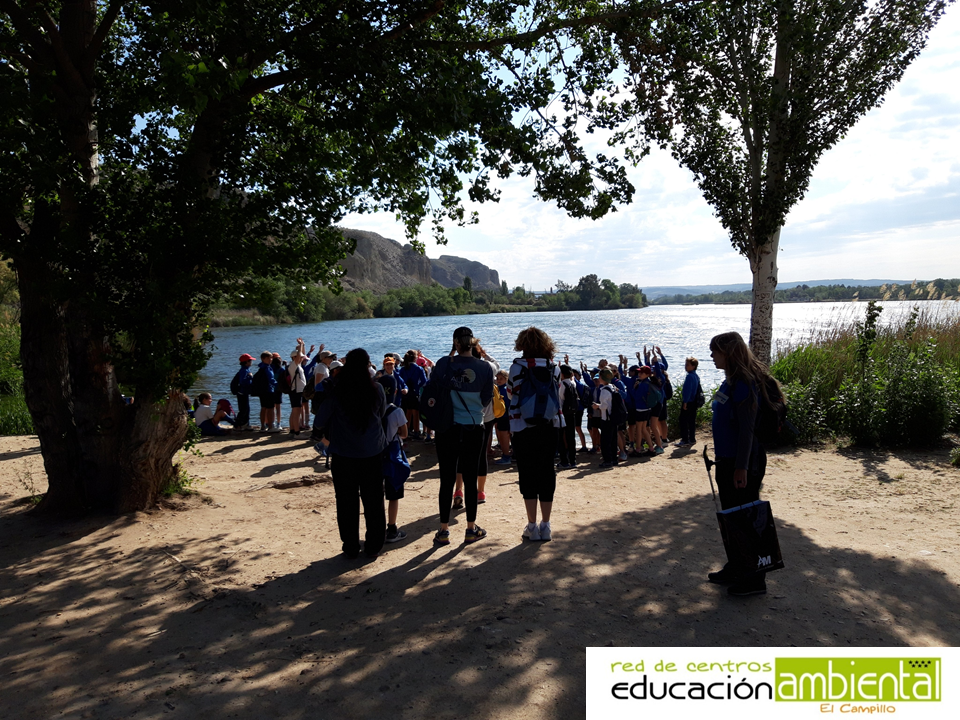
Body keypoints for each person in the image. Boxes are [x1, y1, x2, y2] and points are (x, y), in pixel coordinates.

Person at [706, 331, 772, 597]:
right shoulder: (730, 381)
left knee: (745, 519)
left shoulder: (744, 383)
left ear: (728, 353)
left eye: (715, 351)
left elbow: (747, 430)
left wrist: (742, 468)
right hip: (727, 460)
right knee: (732, 517)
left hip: (742, 463)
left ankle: (755, 578)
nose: (712, 355)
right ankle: (736, 566)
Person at [314, 348, 388, 560]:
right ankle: (373, 546)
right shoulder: (377, 389)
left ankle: (351, 546)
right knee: (374, 500)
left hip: (343, 454)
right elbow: (382, 413)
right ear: (367, 365)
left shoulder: (337, 391)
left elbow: (319, 421)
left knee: (346, 502)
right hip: (372, 452)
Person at [431, 327, 493, 545]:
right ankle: (470, 529)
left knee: (447, 479)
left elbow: (433, 388)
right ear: (473, 343)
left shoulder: (443, 364)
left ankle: (443, 531)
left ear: (455, 343)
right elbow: (486, 399)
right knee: (470, 477)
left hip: (447, 427)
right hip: (473, 426)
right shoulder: (485, 367)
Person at [508, 326, 562, 541]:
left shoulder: (517, 367)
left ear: (522, 344)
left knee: (527, 473)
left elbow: (511, 393)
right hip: (550, 424)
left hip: (522, 426)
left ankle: (532, 526)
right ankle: (546, 526)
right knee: (547, 471)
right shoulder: (554, 368)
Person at [383, 401, 410, 543]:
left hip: (375, 453)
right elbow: (404, 433)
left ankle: (376, 529)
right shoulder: (397, 411)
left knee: (375, 495)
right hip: (392, 455)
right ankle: (392, 528)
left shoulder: (372, 407)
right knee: (393, 494)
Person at [592, 368, 619, 468]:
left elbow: (604, 406)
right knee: (613, 439)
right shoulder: (613, 387)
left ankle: (607, 460)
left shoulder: (604, 391)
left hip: (606, 418)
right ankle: (614, 459)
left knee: (605, 441)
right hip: (614, 417)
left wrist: (597, 406)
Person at [397, 350, 427, 438]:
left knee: (408, 412)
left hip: (405, 393)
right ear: (415, 358)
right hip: (415, 392)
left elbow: (399, 380)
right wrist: (418, 386)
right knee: (416, 413)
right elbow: (424, 381)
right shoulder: (419, 369)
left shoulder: (403, 369)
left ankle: (406, 432)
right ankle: (416, 432)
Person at [677, 356, 701, 447]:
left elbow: (688, 390)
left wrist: (685, 402)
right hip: (694, 401)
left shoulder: (689, 377)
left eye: (687, 365)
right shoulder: (696, 376)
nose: (685, 366)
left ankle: (685, 439)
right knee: (691, 420)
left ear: (693, 366)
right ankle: (692, 438)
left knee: (683, 420)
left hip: (689, 401)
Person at [253, 352, 279, 432]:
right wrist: (279, 385)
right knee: (270, 408)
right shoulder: (267, 368)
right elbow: (271, 380)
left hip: (262, 391)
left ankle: (263, 426)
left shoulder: (261, 367)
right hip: (268, 390)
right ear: (263, 359)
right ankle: (271, 427)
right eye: (268, 358)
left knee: (263, 408)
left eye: (271, 358)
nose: (270, 360)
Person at [287, 340, 308, 435]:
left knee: (295, 411)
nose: (302, 358)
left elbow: (301, 354)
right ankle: (297, 432)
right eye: (300, 357)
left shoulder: (297, 365)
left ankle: (292, 429)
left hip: (297, 391)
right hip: (296, 391)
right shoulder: (293, 365)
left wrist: (302, 346)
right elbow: (299, 355)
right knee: (296, 411)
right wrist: (300, 345)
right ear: (294, 358)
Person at [232, 354, 255, 430]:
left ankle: (245, 424)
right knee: (243, 409)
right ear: (246, 362)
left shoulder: (246, 369)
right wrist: (250, 377)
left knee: (246, 409)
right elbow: (242, 382)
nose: (251, 362)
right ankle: (239, 425)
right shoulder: (244, 371)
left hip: (244, 392)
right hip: (242, 393)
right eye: (250, 360)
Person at [493, 369, 512, 464]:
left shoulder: (504, 390)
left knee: (504, 435)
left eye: (501, 378)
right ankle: (508, 454)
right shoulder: (498, 389)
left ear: (506, 379)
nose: (498, 380)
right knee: (505, 435)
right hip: (502, 416)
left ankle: (506, 456)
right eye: (497, 378)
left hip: (504, 416)